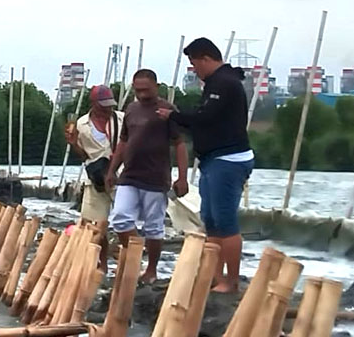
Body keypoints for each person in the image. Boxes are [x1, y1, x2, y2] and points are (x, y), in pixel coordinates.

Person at [158, 37, 254, 293]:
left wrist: (174, 116)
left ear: (206, 58)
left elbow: (206, 117)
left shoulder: (224, 83)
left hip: (228, 158)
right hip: (213, 160)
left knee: (225, 221)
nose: (194, 70)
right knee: (211, 220)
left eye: (194, 64)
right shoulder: (216, 83)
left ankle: (231, 280)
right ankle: (214, 275)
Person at [106, 68, 189, 284]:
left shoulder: (167, 109)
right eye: (138, 90)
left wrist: (182, 177)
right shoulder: (131, 109)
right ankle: (136, 259)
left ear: (156, 86)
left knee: (154, 225)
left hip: (155, 176)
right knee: (120, 218)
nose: (142, 94)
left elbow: (179, 144)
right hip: (130, 174)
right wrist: (112, 169)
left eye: (146, 90)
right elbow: (124, 142)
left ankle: (151, 269)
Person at [66, 85, 123, 266]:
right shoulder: (82, 125)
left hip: (121, 175)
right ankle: (101, 262)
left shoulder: (122, 119)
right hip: (96, 178)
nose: (108, 108)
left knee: (126, 220)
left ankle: (127, 259)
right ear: (94, 104)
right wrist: (74, 144)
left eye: (109, 104)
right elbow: (84, 155)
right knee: (97, 222)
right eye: (103, 105)